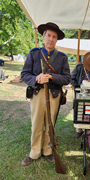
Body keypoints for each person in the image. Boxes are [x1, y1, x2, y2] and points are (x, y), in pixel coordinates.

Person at [21, 22, 71, 166]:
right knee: (37, 123)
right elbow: (24, 74)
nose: (51, 39)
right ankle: (35, 152)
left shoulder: (62, 58)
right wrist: (36, 78)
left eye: (54, 37)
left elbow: (67, 78)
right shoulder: (34, 53)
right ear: (43, 36)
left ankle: (48, 150)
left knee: (50, 123)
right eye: (48, 35)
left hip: (54, 95)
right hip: (37, 93)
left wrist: (51, 77)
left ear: (56, 39)